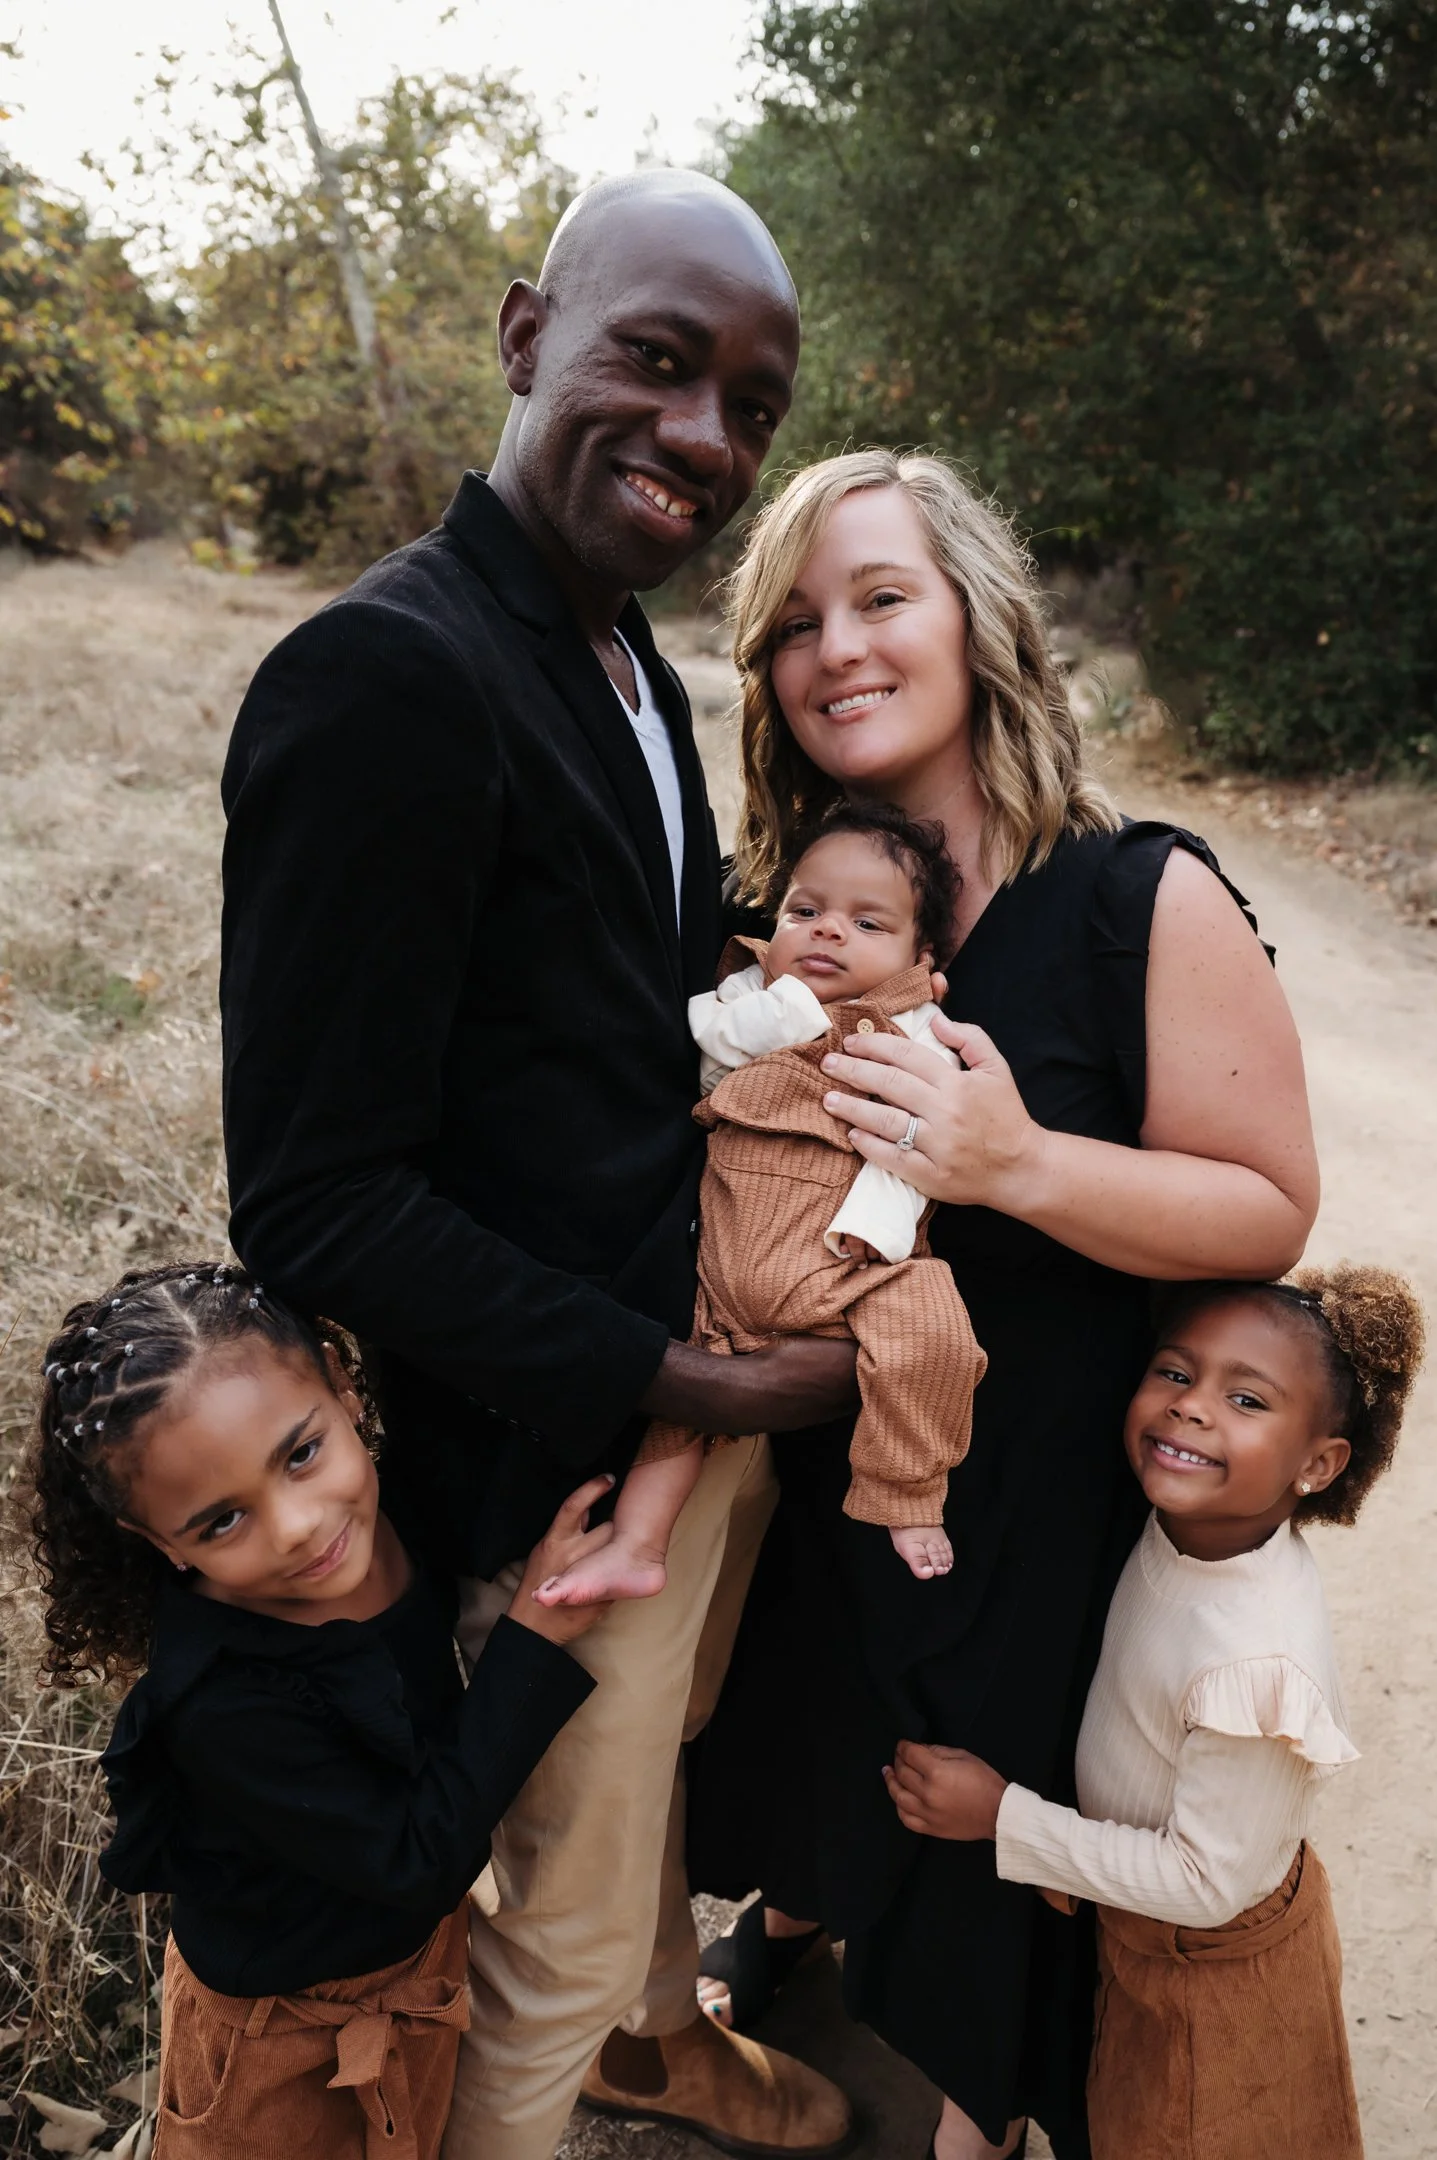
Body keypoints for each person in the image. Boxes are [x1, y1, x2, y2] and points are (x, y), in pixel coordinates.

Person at [219, 168, 852, 2160]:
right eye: (655, 363)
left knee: (647, 1811)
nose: (701, 439)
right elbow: (315, 1196)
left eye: (747, 405)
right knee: (547, 1953)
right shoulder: (388, 678)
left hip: (681, 1402)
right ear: (522, 336)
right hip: (555, 1470)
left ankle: (668, 2046)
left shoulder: (633, 671)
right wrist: (682, 1386)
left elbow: (630, 1048)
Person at [686, 449, 1320, 2159]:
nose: (837, 647)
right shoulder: (791, 915)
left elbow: (1268, 1203)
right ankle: (803, 1946)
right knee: (832, 1775)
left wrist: (1015, 1159)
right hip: (829, 1482)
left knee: (990, 1873)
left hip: (1045, 1497)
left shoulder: (1139, 895)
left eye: (881, 596)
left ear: (979, 621)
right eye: (795, 623)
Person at [23, 1260, 609, 2158]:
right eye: (220, 1521)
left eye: (300, 1454)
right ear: (154, 1542)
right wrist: (530, 1639)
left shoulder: (391, 1509)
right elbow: (415, 1856)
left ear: (342, 1383)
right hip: (276, 2042)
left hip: (409, 1978)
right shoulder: (220, 1702)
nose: (296, 1525)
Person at [886, 1263, 1424, 2160]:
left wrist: (1001, 1817)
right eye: (1175, 1373)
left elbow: (1206, 1884)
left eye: (1246, 1401)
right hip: (1139, 1936)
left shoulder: (1256, 1662)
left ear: (1318, 1466)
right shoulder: (1191, 1524)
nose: (1192, 1407)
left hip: (1207, 1975)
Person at [536, 801, 985, 1608]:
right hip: (724, 1247)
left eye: (866, 923)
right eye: (803, 911)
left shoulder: (916, 1031)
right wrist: (788, 1002)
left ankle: (906, 1491)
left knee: (935, 1330)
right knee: (687, 1403)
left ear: (921, 955)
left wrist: (874, 1238)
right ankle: (639, 1542)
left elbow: (914, 1151)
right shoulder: (744, 990)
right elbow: (705, 1043)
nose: (826, 932)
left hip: (843, 1262)